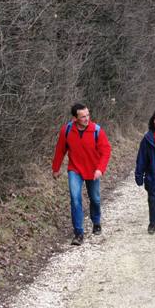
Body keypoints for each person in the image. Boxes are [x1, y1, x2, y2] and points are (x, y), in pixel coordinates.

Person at [52, 103, 111, 246]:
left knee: (95, 199)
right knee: (75, 199)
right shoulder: (66, 130)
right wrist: (56, 168)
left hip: (93, 170)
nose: (86, 118)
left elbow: (106, 151)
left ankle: (96, 221)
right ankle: (78, 233)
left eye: (88, 115)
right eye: (83, 116)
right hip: (75, 170)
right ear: (75, 118)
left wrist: (100, 169)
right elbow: (60, 150)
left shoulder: (97, 130)